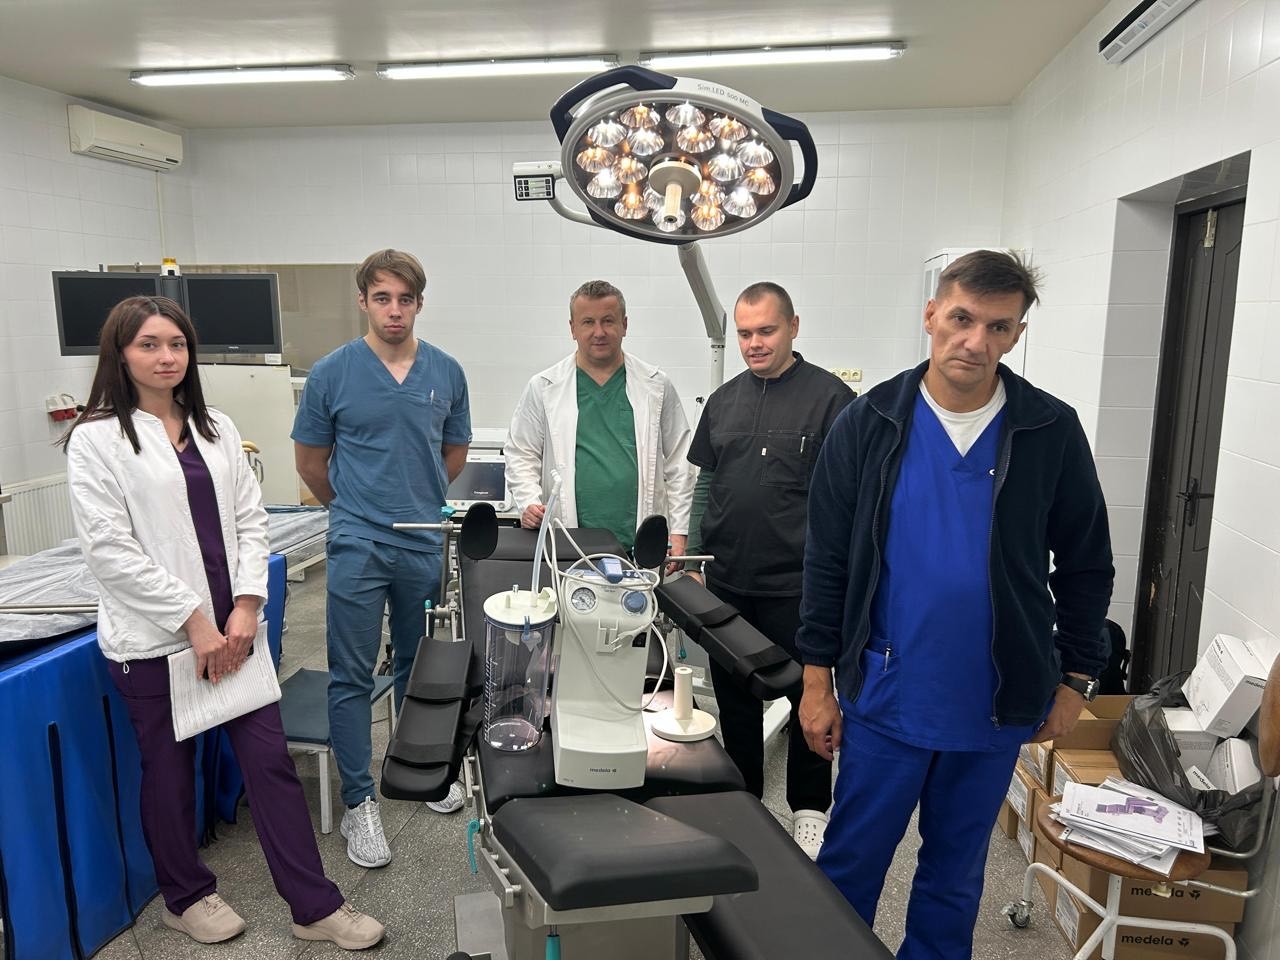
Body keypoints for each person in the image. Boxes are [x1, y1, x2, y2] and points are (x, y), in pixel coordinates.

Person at [797, 250, 1114, 959]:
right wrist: (816, 681)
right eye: (962, 318)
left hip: (995, 697)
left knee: (955, 873)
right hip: (888, 691)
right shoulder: (869, 423)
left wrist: (1077, 678)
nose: (975, 341)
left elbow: (1087, 564)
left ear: (1017, 334)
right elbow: (826, 562)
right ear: (931, 314)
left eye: (998, 327)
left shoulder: (1048, 430)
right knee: (851, 864)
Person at [63, 296, 384, 950]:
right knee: (169, 772)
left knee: (270, 765)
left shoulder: (214, 427)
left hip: (236, 636)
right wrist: (193, 622)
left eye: (177, 344)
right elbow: (109, 550)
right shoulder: (97, 440)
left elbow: (249, 521)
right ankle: (184, 896)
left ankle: (313, 905)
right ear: (120, 353)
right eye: (149, 344)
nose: (166, 357)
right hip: (157, 643)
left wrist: (245, 606)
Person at [292, 249, 471, 869]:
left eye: (405, 299)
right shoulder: (332, 373)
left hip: (422, 539)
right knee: (351, 673)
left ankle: (418, 773)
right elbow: (310, 463)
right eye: (382, 298)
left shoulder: (445, 371)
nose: (394, 310)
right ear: (363, 301)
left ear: (419, 303)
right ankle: (359, 802)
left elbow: (453, 453)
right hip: (358, 543)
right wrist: (356, 510)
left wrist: (415, 500)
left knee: (419, 670)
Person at [685, 281, 852, 858]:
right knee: (735, 702)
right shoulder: (723, 401)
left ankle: (810, 811)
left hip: (799, 586)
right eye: (745, 333)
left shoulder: (832, 400)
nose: (754, 343)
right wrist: (695, 560)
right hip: (729, 581)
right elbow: (705, 485)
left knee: (812, 699)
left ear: (793, 327)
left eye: (766, 331)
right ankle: (744, 803)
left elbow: (848, 500)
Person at [506, 279, 694, 562]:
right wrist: (529, 501)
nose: (599, 332)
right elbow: (521, 453)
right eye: (588, 322)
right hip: (569, 544)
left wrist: (679, 533)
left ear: (624, 325)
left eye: (608, 321)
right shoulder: (543, 387)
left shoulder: (656, 385)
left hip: (639, 545)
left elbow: (681, 462)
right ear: (572, 328)